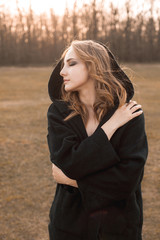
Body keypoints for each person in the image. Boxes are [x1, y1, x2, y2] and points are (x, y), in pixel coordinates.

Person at [47, 40, 148, 240]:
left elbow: (125, 183)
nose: (62, 71)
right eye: (63, 64)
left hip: (119, 228)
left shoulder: (129, 114)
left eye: (72, 63)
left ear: (93, 66)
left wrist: (72, 180)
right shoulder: (58, 113)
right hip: (69, 226)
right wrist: (109, 128)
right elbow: (69, 162)